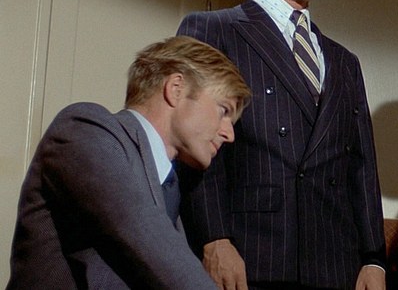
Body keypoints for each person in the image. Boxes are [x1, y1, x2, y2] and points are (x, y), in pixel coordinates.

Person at [176, 0, 386, 290]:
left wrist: (373, 259)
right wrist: (213, 238)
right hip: (250, 256)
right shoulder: (214, 30)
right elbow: (193, 144)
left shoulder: (345, 61)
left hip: (335, 264)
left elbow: (361, 166)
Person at [7, 36, 251, 289]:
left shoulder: (172, 187)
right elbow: (147, 237)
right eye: (224, 111)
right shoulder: (84, 130)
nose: (229, 134)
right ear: (176, 88)